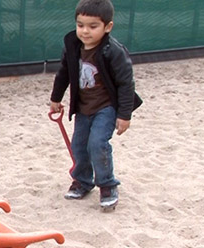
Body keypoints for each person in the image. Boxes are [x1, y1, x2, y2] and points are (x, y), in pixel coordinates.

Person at [50, 0, 141, 211]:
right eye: (80, 25)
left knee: (98, 144)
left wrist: (124, 115)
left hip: (106, 107)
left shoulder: (114, 51)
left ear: (107, 27)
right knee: (79, 146)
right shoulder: (72, 46)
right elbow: (63, 73)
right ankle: (82, 181)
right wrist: (56, 98)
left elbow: (126, 84)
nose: (85, 31)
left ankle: (107, 185)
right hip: (83, 107)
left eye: (93, 26)